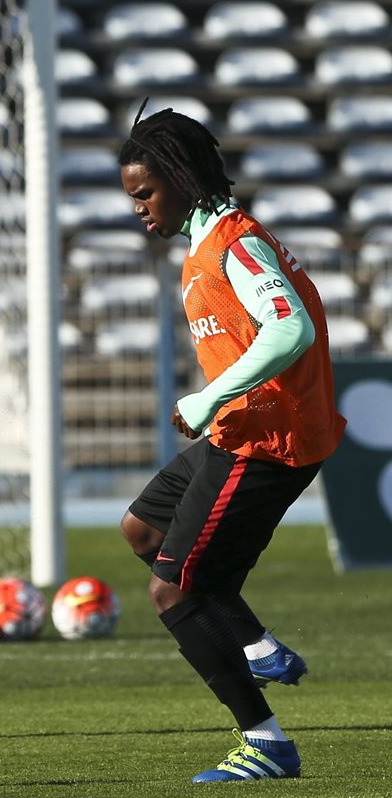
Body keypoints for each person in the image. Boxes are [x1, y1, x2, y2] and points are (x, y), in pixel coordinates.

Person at [117, 102, 346, 783]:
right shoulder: (207, 245)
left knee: (173, 592)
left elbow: (290, 329)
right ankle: (256, 645)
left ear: (183, 178)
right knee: (141, 531)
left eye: (144, 192)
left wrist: (210, 395)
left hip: (267, 443)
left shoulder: (236, 244)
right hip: (238, 433)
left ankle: (266, 742)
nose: (137, 207)